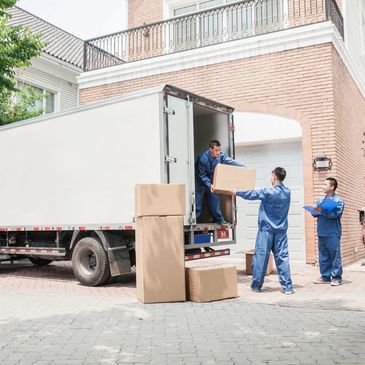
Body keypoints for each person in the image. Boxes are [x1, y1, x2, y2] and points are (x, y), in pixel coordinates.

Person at [232, 167, 294, 294]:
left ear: (275, 177)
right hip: (281, 231)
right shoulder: (287, 192)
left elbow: (252, 194)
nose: (271, 179)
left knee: (261, 257)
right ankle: (288, 287)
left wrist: (236, 192)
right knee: (283, 258)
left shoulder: (268, 192)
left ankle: (256, 286)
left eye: (272, 176)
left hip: (266, 231)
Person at [195, 140, 244, 225]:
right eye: (216, 150)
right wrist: (209, 184)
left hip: (212, 181)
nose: (218, 152)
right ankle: (195, 220)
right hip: (201, 182)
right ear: (210, 149)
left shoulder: (220, 156)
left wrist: (242, 166)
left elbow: (229, 161)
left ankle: (219, 219)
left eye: (219, 150)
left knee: (214, 200)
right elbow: (201, 174)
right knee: (198, 202)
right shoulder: (203, 158)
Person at [312, 178, 344, 286]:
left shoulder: (338, 201)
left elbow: (334, 215)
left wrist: (323, 210)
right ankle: (325, 277)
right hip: (322, 232)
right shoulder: (320, 200)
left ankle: (336, 278)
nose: (323, 186)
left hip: (333, 233)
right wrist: (315, 209)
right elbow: (314, 214)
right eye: (323, 184)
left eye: (325, 184)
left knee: (335, 256)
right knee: (323, 256)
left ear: (332, 187)